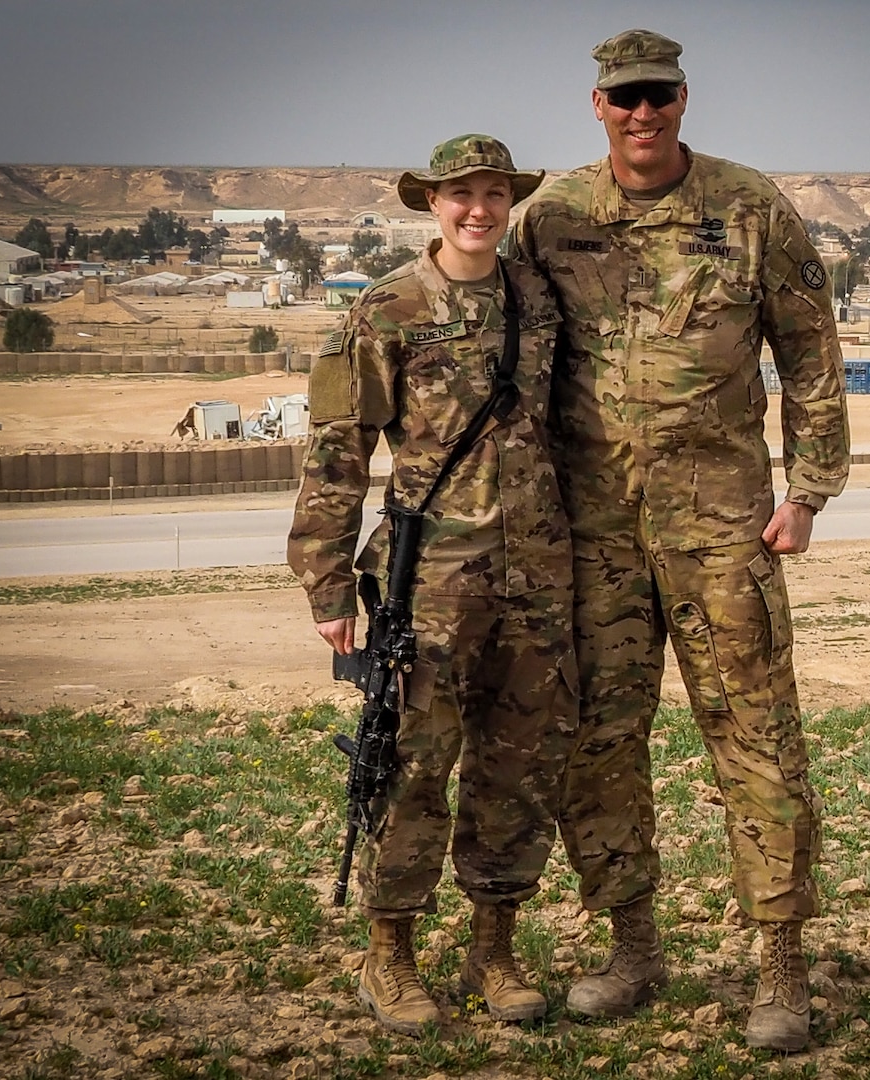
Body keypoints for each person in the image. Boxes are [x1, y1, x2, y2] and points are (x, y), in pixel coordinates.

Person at [516, 30, 850, 1052]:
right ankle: (632, 948)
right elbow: (507, 357)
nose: (642, 113)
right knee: (598, 744)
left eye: (657, 94)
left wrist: (811, 491)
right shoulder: (553, 218)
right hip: (594, 531)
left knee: (756, 739)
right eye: (625, 99)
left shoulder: (750, 209)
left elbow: (812, 354)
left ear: (683, 98)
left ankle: (781, 969)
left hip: (724, 527)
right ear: (597, 106)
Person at [288, 134, 577, 1034]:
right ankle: (390, 955)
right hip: (430, 586)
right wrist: (328, 583)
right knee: (412, 766)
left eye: (495, 194)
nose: (479, 210)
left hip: (534, 576)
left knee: (518, 768)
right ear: (431, 205)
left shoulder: (538, 299)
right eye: (461, 196)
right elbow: (337, 453)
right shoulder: (388, 309)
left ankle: (494, 949)